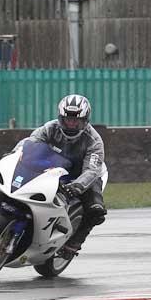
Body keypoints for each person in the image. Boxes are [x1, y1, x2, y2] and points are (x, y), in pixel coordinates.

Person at [29, 93, 107, 258]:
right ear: (60, 118)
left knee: (96, 211)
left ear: (85, 121)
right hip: (53, 169)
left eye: (76, 121)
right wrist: (16, 154)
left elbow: (92, 170)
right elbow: (31, 142)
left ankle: (74, 243)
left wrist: (77, 185)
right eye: (67, 119)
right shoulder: (50, 128)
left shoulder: (94, 140)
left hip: (83, 176)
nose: (71, 124)